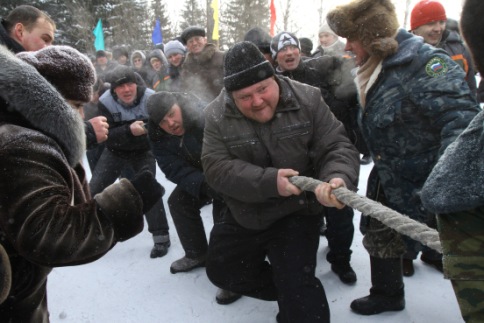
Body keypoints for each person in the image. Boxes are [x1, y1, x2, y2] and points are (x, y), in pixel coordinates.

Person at [326, 0, 481, 315]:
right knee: (378, 234)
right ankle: (388, 294)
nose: (347, 46)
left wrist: (443, 191)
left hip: (431, 183)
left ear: (370, 37)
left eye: (351, 38)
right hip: (389, 175)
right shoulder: (375, 66)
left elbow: (461, 129)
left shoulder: (425, 65)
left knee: (460, 259)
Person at [0, 44, 163, 322]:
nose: (80, 116)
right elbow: (49, 235)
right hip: (14, 299)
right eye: (75, 106)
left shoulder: (22, 132)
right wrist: (126, 202)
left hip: (21, 290)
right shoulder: (22, 145)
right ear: (46, 99)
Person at [201, 41, 360, 322]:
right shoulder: (216, 114)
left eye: (262, 90)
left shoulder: (308, 99)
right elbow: (216, 167)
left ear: (274, 77)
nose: (257, 101)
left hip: (297, 210)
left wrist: (337, 177)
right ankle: (288, 288)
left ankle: (297, 294)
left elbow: (336, 146)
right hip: (246, 210)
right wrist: (269, 182)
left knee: (299, 293)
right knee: (222, 271)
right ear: (230, 96)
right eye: (245, 97)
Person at [270, 30, 359, 284]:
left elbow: (348, 99)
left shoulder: (319, 72)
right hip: (296, 159)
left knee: (340, 209)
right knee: (302, 213)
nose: (289, 53)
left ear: (299, 50)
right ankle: (301, 266)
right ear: (276, 57)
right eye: (283, 50)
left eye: (292, 48)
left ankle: (341, 259)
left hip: (329, 152)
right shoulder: (272, 83)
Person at [420, 0, 484, 321]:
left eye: (439, 22)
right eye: (428, 24)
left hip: (456, 134)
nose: (436, 28)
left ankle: (435, 251)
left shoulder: (446, 52)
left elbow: (460, 89)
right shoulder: (422, 55)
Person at [146, 91, 241, 305]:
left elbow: (231, 147)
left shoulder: (204, 115)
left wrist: (220, 180)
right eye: (163, 121)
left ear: (179, 105)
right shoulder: (157, 136)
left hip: (229, 175)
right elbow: (172, 168)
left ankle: (233, 275)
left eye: (172, 114)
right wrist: (203, 184)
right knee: (178, 203)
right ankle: (197, 253)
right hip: (202, 181)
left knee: (223, 220)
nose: (170, 123)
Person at [89, 65, 171, 258]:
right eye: (120, 86)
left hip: (143, 151)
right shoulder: (105, 102)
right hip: (115, 151)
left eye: (129, 84)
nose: (126, 90)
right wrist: (128, 131)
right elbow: (106, 135)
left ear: (136, 83)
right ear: (113, 89)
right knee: (95, 188)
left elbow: (161, 127)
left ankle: (161, 236)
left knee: (148, 187)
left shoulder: (151, 97)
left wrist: (146, 130)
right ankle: (90, 231)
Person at [410, 0, 477, 98]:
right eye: (430, 23)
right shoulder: (404, 54)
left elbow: (471, 90)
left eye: (441, 22)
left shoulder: (460, 51)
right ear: (415, 28)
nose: (438, 29)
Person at [180, 26, 224, 103]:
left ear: (205, 40)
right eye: (190, 41)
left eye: (197, 39)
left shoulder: (221, 57)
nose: (194, 43)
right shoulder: (186, 67)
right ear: (187, 46)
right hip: (199, 111)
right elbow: (185, 91)